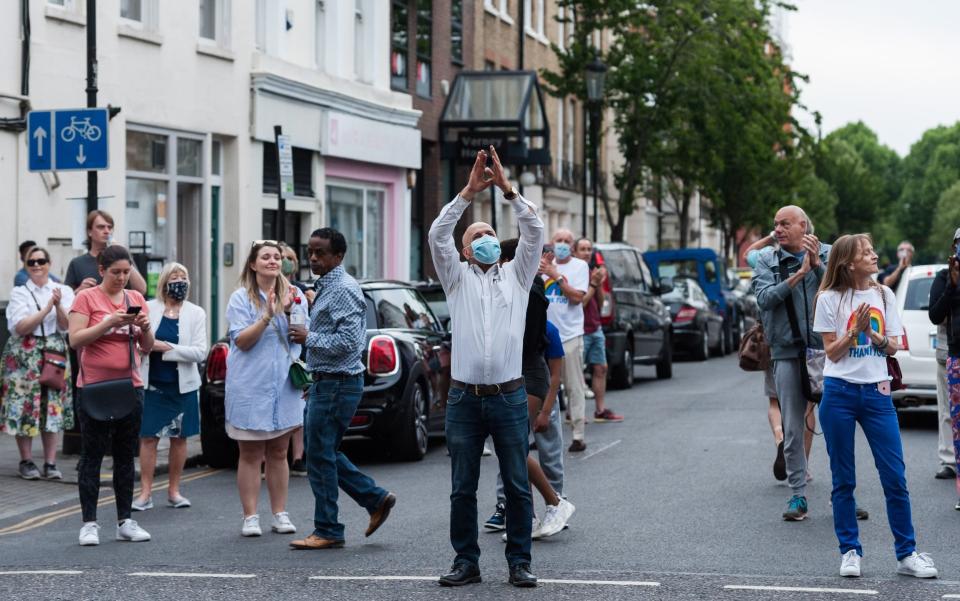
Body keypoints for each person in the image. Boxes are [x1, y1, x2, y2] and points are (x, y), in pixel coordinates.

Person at [429, 147, 543, 588]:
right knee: (463, 487)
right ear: (463, 248)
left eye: (490, 232)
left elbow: (533, 230)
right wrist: (467, 194)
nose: (485, 239)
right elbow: (437, 235)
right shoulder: (455, 276)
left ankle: (519, 561)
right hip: (464, 397)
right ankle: (466, 562)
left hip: (510, 395)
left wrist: (507, 190)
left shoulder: (518, 274)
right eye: (476, 235)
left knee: (516, 483)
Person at [813, 233, 937, 579]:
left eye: (872, 251)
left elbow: (893, 346)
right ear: (847, 263)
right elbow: (831, 352)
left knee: (895, 476)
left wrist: (877, 337)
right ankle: (850, 551)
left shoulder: (884, 294)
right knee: (843, 480)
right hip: (839, 393)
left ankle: (907, 553)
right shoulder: (828, 298)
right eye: (866, 253)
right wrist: (854, 333)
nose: (874, 256)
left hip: (878, 394)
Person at [288, 228, 397, 550]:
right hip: (328, 382)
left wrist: (309, 338)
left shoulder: (344, 289)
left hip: (338, 384)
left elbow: (350, 342)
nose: (313, 258)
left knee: (320, 455)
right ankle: (374, 499)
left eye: (320, 252)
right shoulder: (326, 287)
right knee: (323, 453)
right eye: (310, 251)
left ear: (338, 256)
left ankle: (329, 528)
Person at [484, 239, 575, 540]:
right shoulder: (503, 288)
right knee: (511, 450)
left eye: (500, 258)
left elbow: (528, 341)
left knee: (514, 448)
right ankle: (528, 515)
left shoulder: (530, 291)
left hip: (527, 375)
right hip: (510, 374)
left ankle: (555, 503)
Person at [68, 245, 155, 546]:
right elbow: (75, 339)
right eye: (115, 272)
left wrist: (144, 327)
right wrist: (108, 323)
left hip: (129, 386)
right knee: (91, 456)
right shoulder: (86, 298)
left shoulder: (136, 298)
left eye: (126, 272)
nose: (121, 278)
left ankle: (125, 520)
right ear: (101, 270)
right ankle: (89, 523)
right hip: (93, 387)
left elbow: (147, 345)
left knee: (124, 456)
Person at [224, 240, 307, 538]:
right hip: (250, 386)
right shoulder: (240, 299)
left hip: (283, 385)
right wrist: (268, 315)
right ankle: (250, 516)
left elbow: (300, 338)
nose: (273, 261)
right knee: (250, 452)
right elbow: (242, 341)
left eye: (277, 257)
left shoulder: (295, 296)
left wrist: (287, 314)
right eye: (266, 257)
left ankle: (280, 513)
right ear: (253, 264)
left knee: (279, 450)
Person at [752, 206, 829, 521]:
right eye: (775, 225)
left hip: (828, 352)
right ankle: (798, 495)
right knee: (794, 429)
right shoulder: (767, 260)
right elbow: (765, 299)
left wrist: (818, 267)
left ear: (803, 226)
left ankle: (844, 496)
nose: (778, 229)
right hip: (786, 352)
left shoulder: (827, 253)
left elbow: (843, 292)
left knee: (840, 425)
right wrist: (799, 274)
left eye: (784, 224)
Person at [133, 263, 208, 511]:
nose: (179, 281)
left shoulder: (196, 313)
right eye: (174, 277)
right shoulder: (149, 307)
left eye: (183, 277)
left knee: (179, 438)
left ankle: (174, 491)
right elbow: (137, 340)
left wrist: (166, 347)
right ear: (164, 282)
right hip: (152, 383)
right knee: (148, 438)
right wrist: (150, 344)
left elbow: (200, 351)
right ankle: (144, 493)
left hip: (182, 386)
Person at [746, 233, 815, 482]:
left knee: (776, 401)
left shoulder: (764, 256)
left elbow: (748, 252)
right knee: (808, 406)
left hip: (774, 340)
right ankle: (803, 467)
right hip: (809, 345)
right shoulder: (811, 257)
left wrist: (768, 237)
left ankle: (780, 438)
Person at [2, 247, 74, 480]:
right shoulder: (19, 292)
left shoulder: (63, 290)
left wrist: (59, 305)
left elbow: (67, 326)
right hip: (23, 355)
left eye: (41, 260)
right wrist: (46, 308)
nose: (36, 265)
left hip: (53, 352)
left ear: (49, 263)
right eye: (31, 262)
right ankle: (26, 460)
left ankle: (50, 463)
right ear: (26, 265)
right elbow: (21, 327)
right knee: (24, 406)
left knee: (51, 406)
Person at [542, 229, 590, 452]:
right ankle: (541, 432)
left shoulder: (579, 267)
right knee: (544, 387)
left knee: (573, 387)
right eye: (558, 240)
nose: (562, 244)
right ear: (551, 243)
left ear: (572, 246)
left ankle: (578, 435)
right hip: (543, 335)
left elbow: (577, 297)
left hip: (569, 335)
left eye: (566, 241)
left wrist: (556, 275)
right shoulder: (540, 264)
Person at [573, 238, 622, 423]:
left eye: (589, 249)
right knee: (577, 373)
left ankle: (600, 410)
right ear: (575, 252)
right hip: (580, 330)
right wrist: (593, 285)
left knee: (600, 368)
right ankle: (574, 412)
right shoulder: (575, 272)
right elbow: (582, 302)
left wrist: (599, 283)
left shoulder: (591, 272)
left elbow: (600, 304)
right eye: (582, 249)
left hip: (595, 327)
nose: (587, 252)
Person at [929, 227, 960, 502]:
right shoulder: (943, 277)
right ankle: (949, 460)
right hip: (949, 352)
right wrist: (952, 285)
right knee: (949, 410)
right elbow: (935, 314)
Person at [65, 210, 147, 294]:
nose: (107, 231)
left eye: (110, 227)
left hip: (118, 306)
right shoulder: (77, 263)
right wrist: (79, 290)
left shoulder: (122, 258)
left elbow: (141, 289)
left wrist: (121, 253)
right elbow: (66, 299)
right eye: (101, 227)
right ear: (89, 231)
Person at [279, 242, 308, 477]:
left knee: (298, 409)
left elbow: (304, 327)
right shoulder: (259, 292)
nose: (285, 261)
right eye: (282, 256)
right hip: (276, 360)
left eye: (289, 257)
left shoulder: (299, 291)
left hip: (297, 357)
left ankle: (298, 457)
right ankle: (274, 459)